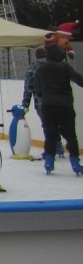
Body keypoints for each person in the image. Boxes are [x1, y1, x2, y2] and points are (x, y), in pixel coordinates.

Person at [32, 43, 83, 175]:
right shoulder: (64, 67)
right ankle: (75, 161)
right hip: (65, 105)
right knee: (71, 134)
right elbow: (78, 79)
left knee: (50, 133)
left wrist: (43, 95)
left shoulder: (41, 70)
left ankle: (49, 160)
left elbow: (36, 88)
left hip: (48, 106)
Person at [22, 48, 63, 157]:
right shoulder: (56, 67)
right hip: (57, 101)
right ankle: (58, 146)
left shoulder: (33, 69)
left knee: (47, 126)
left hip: (41, 103)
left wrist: (25, 106)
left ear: (36, 56)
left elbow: (28, 89)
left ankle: (51, 150)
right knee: (54, 124)